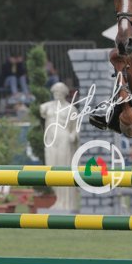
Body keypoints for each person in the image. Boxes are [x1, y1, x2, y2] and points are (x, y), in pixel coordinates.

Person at [39, 82, 79, 212]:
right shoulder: (46, 107)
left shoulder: (71, 109)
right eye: (55, 91)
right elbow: (41, 111)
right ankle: (58, 199)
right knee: (51, 168)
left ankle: (65, 202)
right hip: (50, 140)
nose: (57, 94)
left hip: (63, 139)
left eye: (60, 92)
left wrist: (73, 135)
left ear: (65, 93)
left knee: (63, 169)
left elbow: (76, 127)